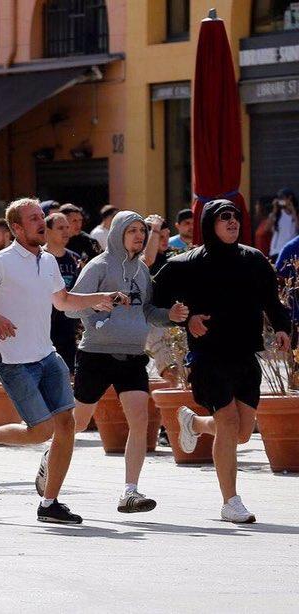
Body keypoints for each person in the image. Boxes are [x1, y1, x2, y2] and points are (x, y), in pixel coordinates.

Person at [0, 198, 123, 525]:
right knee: (40, 431)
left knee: (67, 425)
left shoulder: (48, 261)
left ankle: (50, 503)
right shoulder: (0, 262)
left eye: (41, 216)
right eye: (33, 218)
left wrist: (99, 299)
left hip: (47, 355)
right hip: (14, 361)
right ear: (17, 228)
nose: (41, 222)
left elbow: (62, 301)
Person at [153, 200, 291, 523]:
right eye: (224, 217)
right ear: (209, 224)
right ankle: (231, 501)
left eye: (236, 217)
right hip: (208, 356)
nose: (232, 222)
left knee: (241, 433)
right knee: (228, 423)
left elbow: (271, 300)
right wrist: (184, 320)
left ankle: (195, 423)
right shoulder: (186, 264)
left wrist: (282, 328)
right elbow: (156, 301)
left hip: (245, 355)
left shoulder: (254, 260)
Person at [58, 211, 188, 513]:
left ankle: (130, 491)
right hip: (96, 354)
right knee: (77, 423)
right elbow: (69, 308)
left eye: (142, 230)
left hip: (132, 356)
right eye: (132, 230)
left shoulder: (141, 271)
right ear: (118, 234)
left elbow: (148, 311)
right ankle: (51, 459)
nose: (139, 236)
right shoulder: (99, 266)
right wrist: (97, 301)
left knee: (140, 421)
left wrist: (169, 316)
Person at [43, 212, 81, 373]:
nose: (66, 231)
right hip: (44, 324)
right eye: (60, 228)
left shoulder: (74, 258)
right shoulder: (39, 258)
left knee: (68, 372)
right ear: (47, 230)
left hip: (68, 325)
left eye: (67, 227)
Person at [269, 188, 298, 261]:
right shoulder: (277, 213)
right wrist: (274, 209)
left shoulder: (296, 213)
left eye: (283, 198)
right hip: (276, 250)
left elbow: (297, 227)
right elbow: (267, 227)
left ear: (290, 198)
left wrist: (292, 210)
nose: (281, 200)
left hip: (290, 250)